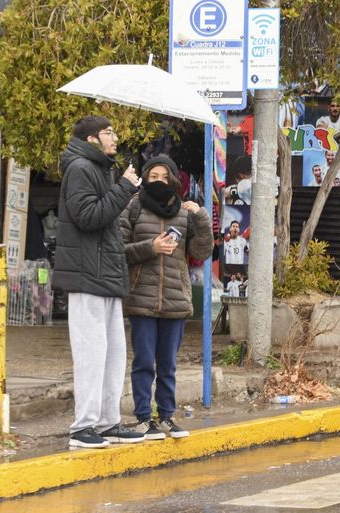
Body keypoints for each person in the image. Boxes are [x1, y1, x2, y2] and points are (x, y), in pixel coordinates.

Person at [55, 115, 145, 449]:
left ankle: (108, 422)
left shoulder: (101, 169)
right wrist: (123, 188)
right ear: (93, 138)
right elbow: (89, 216)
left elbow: (104, 217)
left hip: (104, 273)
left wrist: (121, 187)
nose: (116, 138)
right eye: (110, 132)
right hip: (86, 275)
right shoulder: (80, 168)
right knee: (91, 352)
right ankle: (83, 427)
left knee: (112, 352)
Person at [120, 155, 213, 439]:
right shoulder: (133, 207)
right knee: (144, 361)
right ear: (145, 178)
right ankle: (143, 418)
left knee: (168, 364)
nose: (159, 182)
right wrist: (151, 247)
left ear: (173, 180)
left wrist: (202, 217)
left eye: (164, 177)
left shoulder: (184, 213)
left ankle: (167, 417)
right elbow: (118, 250)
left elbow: (201, 252)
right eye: (153, 177)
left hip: (175, 299)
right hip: (141, 298)